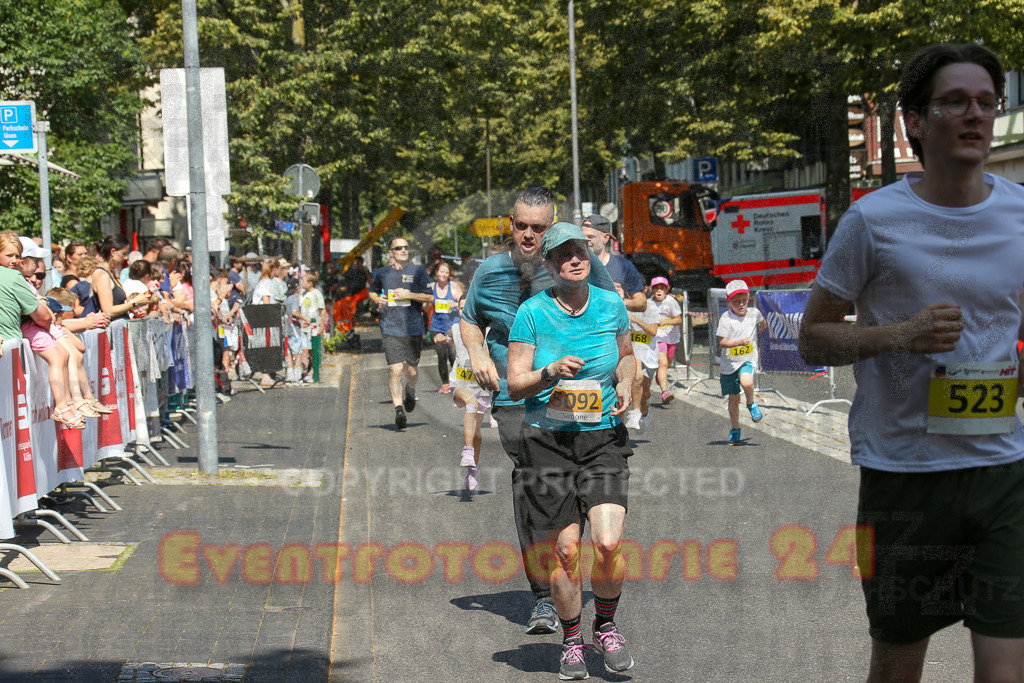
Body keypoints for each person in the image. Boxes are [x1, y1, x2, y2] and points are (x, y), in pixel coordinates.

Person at [798, 43, 1024, 683]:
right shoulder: (873, 220)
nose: (975, 114)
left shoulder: (1019, 212)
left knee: (1006, 668)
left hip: (1002, 473)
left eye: (986, 102)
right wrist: (899, 336)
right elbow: (811, 339)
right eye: (956, 101)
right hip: (904, 475)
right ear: (916, 122)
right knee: (898, 666)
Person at [461, 186, 617, 635]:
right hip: (516, 395)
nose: (528, 235)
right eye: (521, 226)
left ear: (553, 226)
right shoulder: (489, 271)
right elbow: (470, 320)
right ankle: (545, 595)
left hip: (579, 394)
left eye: (538, 227)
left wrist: (622, 373)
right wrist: (478, 354)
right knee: (533, 478)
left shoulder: (575, 262)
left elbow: (610, 312)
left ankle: (567, 559)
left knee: (570, 481)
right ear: (510, 224)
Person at [507, 222, 635, 680]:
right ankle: (572, 641)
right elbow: (515, 384)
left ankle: (606, 625)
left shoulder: (610, 304)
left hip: (602, 438)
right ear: (548, 263)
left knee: (608, 542)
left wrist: (626, 382)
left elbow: (627, 356)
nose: (574, 259)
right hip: (549, 444)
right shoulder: (532, 313)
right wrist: (550, 371)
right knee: (565, 552)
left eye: (579, 251)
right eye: (563, 254)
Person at [369, 237, 432, 429]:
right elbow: (372, 291)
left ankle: (410, 390)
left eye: (406, 247)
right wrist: (377, 299)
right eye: (399, 248)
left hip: (413, 327)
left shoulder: (418, 271)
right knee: (395, 370)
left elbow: (430, 297)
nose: (404, 250)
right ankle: (398, 410)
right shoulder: (383, 273)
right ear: (391, 252)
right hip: (390, 327)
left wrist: (409, 295)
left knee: (411, 369)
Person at [716, 279, 766, 445]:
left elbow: (762, 322)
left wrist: (762, 327)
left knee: (747, 382)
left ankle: (751, 404)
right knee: (734, 398)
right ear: (728, 301)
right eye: (736, 301)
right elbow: (722, 342)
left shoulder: (754, 313)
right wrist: (738, 343)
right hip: (729, 363)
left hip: (747, 359)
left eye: (744, 300)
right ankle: (735, 428)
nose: (741, 304)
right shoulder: (726, 318)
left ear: (748, 298)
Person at [448, 293, 490, 491]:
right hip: (459, 383)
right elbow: (449, 335)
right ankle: (467, 451)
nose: (463, 311)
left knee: (477, 432)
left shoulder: (487, 331)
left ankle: (474, 468)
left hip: (480, 386)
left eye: (467, 307)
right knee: (470, 404)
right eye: (460, 308)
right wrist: (441, 337)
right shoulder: (456, 328)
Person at [580, 214, 646, 312]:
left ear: (606, 238)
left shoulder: (623, 266)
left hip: (613, 321)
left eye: (590, 237)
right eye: (582, 237)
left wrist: (623, 302)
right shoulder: (574, 265)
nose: (585, 241)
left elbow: (642, 304)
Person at [623, 283, 660, 431]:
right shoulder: (622, 306)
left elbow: (653, 331)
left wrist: (634, 318)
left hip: (648, 351)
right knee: (637, 378)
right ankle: (634, 413)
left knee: (645, 393)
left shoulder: (651, 307)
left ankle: (644, 413)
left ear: (645, 290)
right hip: (632, 349)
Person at [90, 235, 149, 321]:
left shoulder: (111, 272)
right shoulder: (102, 275)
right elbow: (108, 311)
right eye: (123, 253)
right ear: (113, 252)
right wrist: (134, 302)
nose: (126, 257)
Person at [429, 261, 462, 393]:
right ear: (437, 272)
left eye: (446, 272)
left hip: (452, 327)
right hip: (437, 327)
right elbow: (425, 303)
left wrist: (454, 304)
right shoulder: (431, 287)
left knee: (453, 355)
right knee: (441, 355)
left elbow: (463, 303)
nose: (443, 274)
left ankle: (456, 382)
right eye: (441, 271)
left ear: (449, 274)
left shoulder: (454, 287)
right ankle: (445, 383)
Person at [648, 276, 682, 405]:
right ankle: (665, 392)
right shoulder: (649, 303)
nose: (659, 291)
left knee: (667, 364)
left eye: (662, 288)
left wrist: (666, 321)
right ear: (652, 290)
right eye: (656, 288)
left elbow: (678, 320)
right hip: (657, 337)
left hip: (671, 337)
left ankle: (660, 378)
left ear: (667, 290)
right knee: (662, 363)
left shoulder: (671, 302)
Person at [299, 272, 326, 383]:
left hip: (314, 326)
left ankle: (316, 372)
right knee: (304, 350)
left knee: (313, 351)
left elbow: (322, 310)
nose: (301, 283)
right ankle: (305, 373)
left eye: (303, 281)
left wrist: (321, 326)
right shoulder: (302, 294)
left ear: (310, 283)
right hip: (304, 327)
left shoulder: (317, 293)